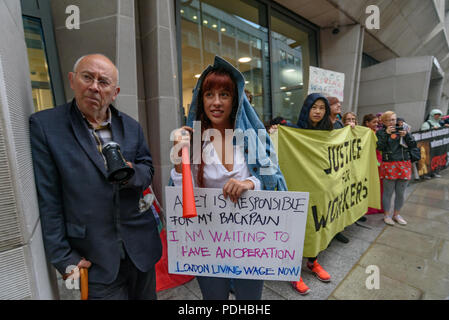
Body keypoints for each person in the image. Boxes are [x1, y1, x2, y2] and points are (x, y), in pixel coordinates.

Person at [29, 54, 162, 300]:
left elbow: (147, 168)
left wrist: (131, 175)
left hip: (140, 249)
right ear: (72, 80)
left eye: (103, 82)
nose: (94, 86)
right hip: (93, 257)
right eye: (87, 77)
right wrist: (63, 257)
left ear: (115, 92)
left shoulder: (131, 126)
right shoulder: (46, 126)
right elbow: (48, 198)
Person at [170, 56, 287, 300]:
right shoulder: (192, 141)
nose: (216, 102)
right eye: (209, 94)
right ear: (200, 100)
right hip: (208, 241)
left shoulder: (252, 139)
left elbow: (272, 183)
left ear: (235, 100)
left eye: (224, 94)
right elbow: (182, 197)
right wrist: (180, 160)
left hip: (250, 242)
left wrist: (249, 183)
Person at [291, 93, 333, 295]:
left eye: (321, 108)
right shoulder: (294, 131)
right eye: (313, 107)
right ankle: (292, 271)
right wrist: (274, 132)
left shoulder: (331, 132)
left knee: (317, 226)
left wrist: (351, 130)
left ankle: (313, 262)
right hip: (298, 187)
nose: (317, 111)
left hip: (321, 189)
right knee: (297, 229)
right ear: (306, 109)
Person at [376, 111, 417, 226]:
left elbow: (413, 145)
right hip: (389, 164)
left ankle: (397, 214)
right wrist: (386, 134)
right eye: (388, 120)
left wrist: (407, 135)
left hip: (404, 164)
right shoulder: (380, 132)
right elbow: (380, 147)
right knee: (388, 192)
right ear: (383, 122)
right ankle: (386, 215)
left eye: (393, 119)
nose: (392, 122)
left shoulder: (403, 129)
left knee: (401, 192)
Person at [362, 114, 384, 214]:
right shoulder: (366, 133)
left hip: (378, 160)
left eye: (377, 122)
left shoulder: (376, 132)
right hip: (371, 161)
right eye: (374, 122)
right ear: (367, 123)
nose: (376, 124)